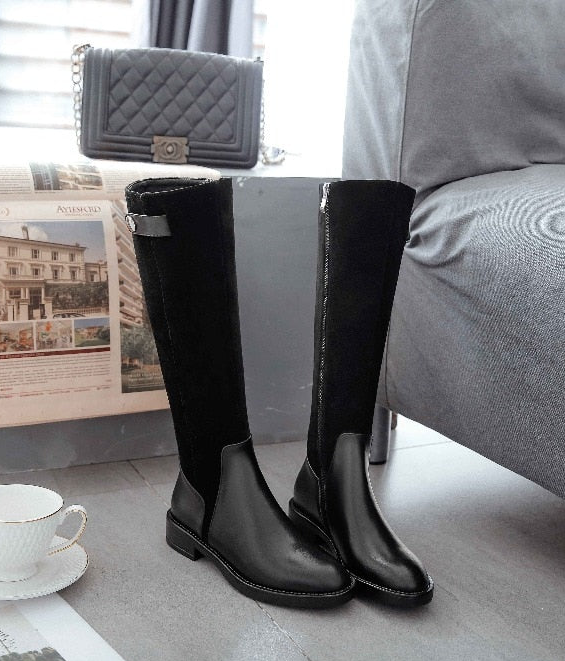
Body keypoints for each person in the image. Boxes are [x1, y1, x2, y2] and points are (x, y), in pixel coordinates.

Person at [126, 178, 433, 608]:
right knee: (188, 218)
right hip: (214, 485)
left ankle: (330, 480)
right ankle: (211, 496)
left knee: (372, 213)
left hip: (324, 478)